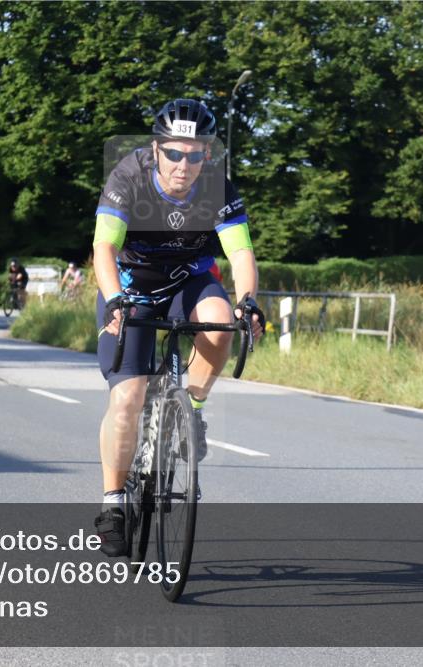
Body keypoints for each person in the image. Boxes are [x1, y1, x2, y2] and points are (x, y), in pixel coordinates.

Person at [91, 98, 264, 556]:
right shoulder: (127, 177)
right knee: (127, 395)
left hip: (190, 280)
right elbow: (104, 248)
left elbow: (241, 253)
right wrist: (114, 301)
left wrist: (248, 302)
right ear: (156, 148)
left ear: (206, 154)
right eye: (173, 153)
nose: (183, 165)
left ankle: (194, 411)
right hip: (133, 287)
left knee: (221, 320)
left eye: (194, 154)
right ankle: (112, 502)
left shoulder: (217, 187)